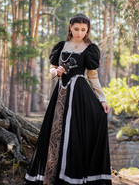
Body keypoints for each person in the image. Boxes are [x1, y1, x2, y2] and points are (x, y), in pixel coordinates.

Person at [25, 13, 112, 185]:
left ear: (87, 30)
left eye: (83, 30)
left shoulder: (90, 48)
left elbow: (92, 76)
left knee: (74, 133)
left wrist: (102, 99)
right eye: (76, 29)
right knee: (55, 132)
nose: (79, 32)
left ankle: (72, 176)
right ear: (70, 28)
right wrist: (55, 72)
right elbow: (52, 67)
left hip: (78, 93)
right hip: (60, 93)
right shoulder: (61, 46)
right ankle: (50, 174)